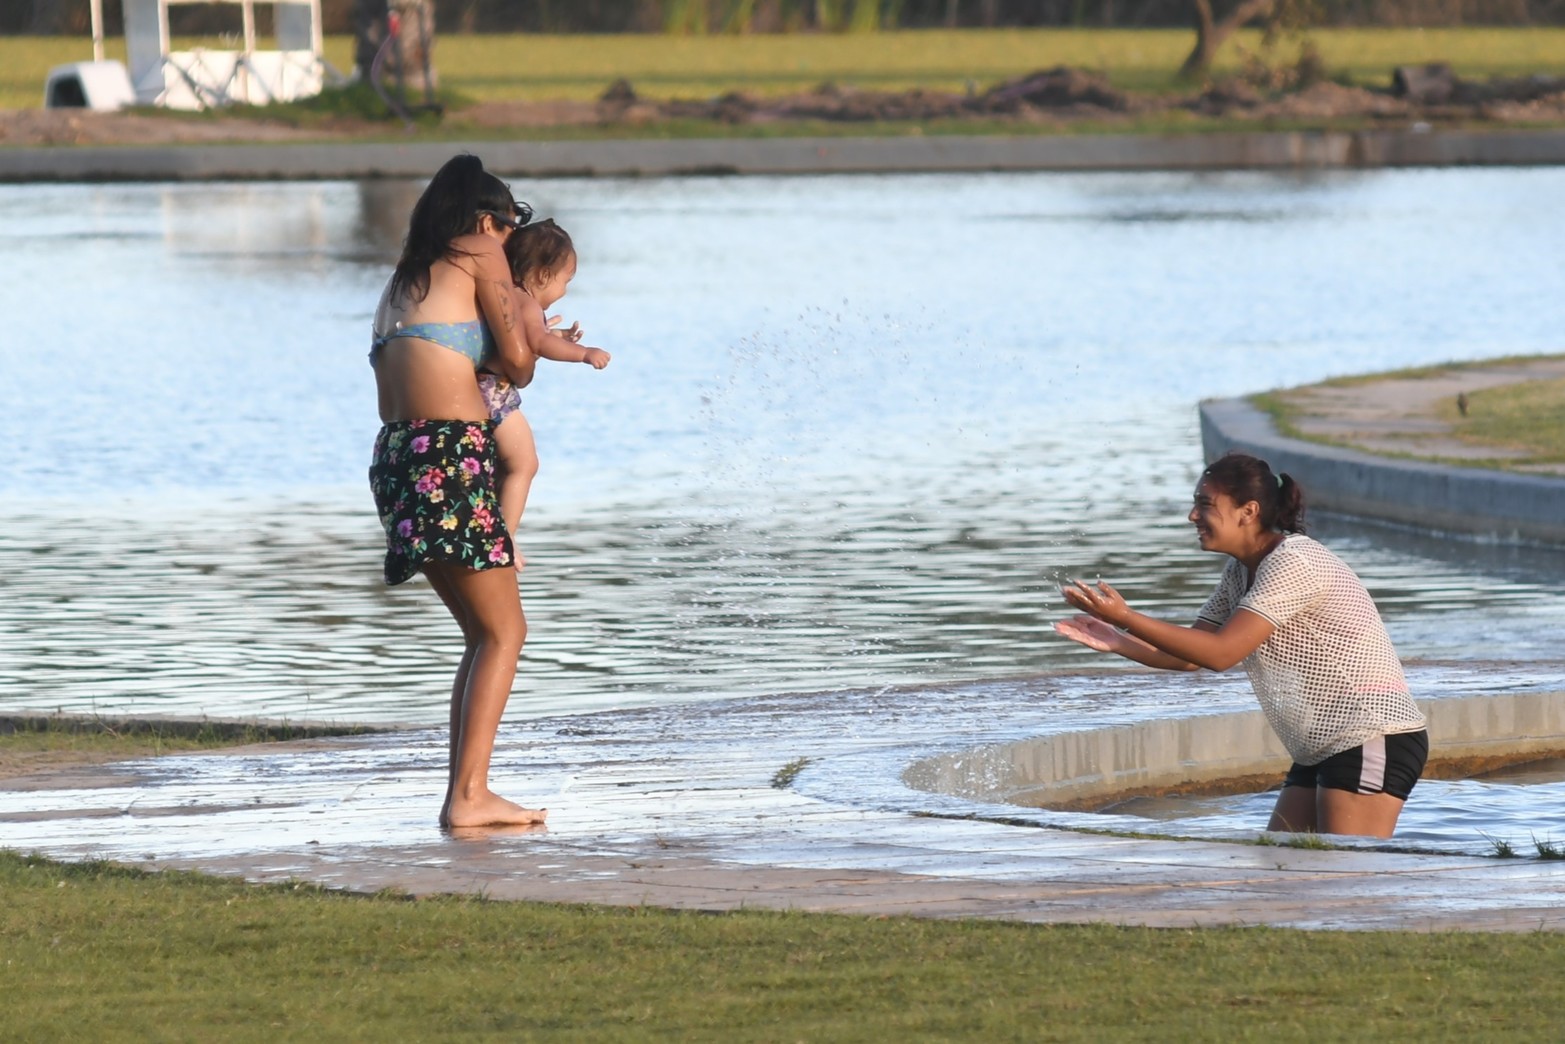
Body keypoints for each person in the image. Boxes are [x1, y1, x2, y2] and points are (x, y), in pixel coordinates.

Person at [1054, 452, 1429, 838]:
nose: (1192, 517)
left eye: (1204, 504)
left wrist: (1125, 617)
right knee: (1283, 868)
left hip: (1370, 734)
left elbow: (1222, 654)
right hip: (1325, 745)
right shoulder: (1242, 570)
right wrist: (1117, 639)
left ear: (1247, 511)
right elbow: (1190, 656)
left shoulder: (1294, 562)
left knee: (1350, 883)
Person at [367, 153, 547, 829]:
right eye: (508, 227)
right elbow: (519, 366)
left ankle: (468, 791)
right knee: (505, 631)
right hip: (448, 454)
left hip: (398, 455)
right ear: (483, 220)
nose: (508, 243)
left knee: (483, 633)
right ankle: (468, 797)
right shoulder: (477, 250)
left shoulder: (404, 277)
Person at [476, 218, 611, 559]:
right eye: (566, 281)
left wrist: (557, 336)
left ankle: (494, 528)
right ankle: (503, 539)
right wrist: (583, 354)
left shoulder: (507, 296)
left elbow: (528, 337)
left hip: (479, 387)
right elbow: (536, 341)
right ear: (542, 276)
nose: (565, 290)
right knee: (525, 464)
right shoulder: (528, 303)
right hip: (493, 393)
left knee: (501, 467)